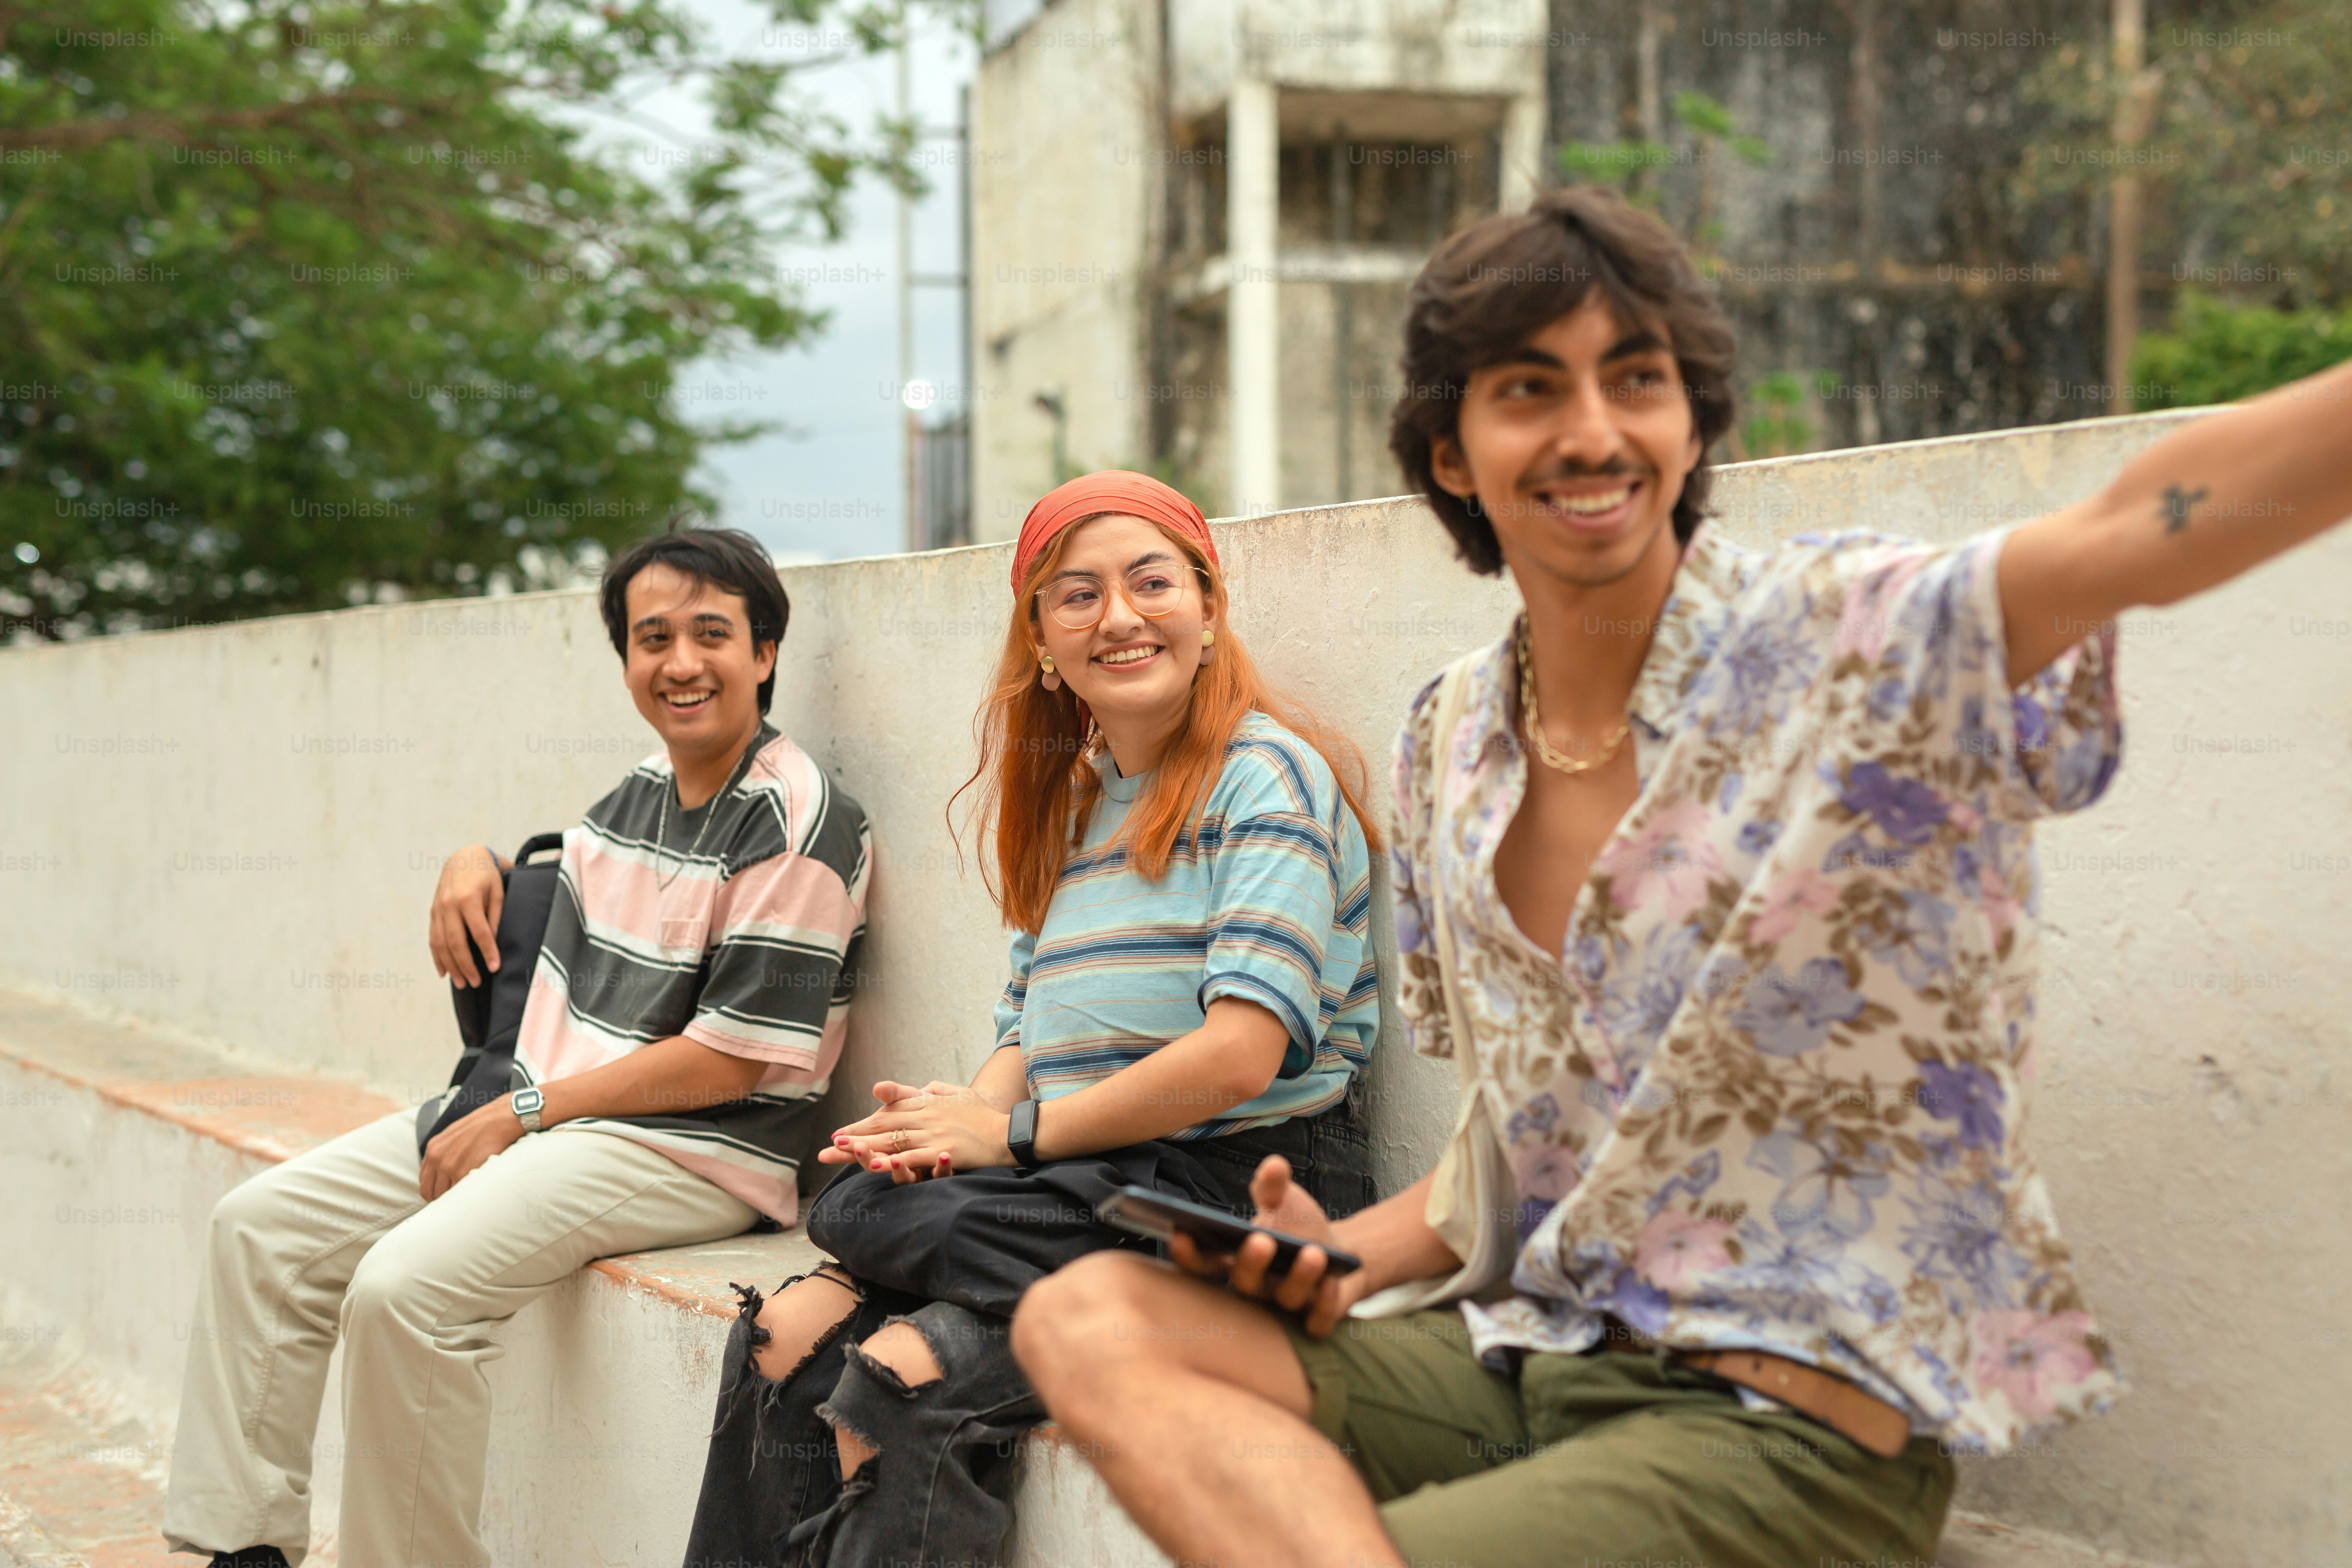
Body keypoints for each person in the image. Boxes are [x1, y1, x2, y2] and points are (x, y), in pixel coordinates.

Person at [1010, 183, 2352, 1568]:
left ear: (1692, 418)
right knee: (1086, 1319)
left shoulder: (1856, 643)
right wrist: (1337, 1258)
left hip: (1788, 1430)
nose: (1592, 430)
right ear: (1453, 452)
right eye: (1531, 388)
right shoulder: (1452, 736)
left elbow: (2153, 522)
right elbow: (1534, 1147)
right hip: (1539, 1369)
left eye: (1636, 379)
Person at [681, 470, 1383, 1568]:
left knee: (899, 1375)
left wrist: (1002, 1140)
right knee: (787, 1330)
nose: (1119, 617)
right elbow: (1026, 1030)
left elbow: (1243, 1056)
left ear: (1207, 607)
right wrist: (955, 1119)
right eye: (1077, 595)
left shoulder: (1264, 779)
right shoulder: (1073, 805)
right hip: (1083, 1179)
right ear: (1043, 641)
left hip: (1241, 1182)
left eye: (1152, 583)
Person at [163, 525, 870, 1568]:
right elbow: (571, 879)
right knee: (256, 1230)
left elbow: (730, 1062)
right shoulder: (639, 790)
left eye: (712, 634)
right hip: (548, 1106)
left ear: (765, 653)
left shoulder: (802, 822)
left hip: (688, 1148)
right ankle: (240, 1549)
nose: (681, 663)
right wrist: (476, 858)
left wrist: (524, 1113)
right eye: (652, 637)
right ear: (626, 658)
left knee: (404, 1294)